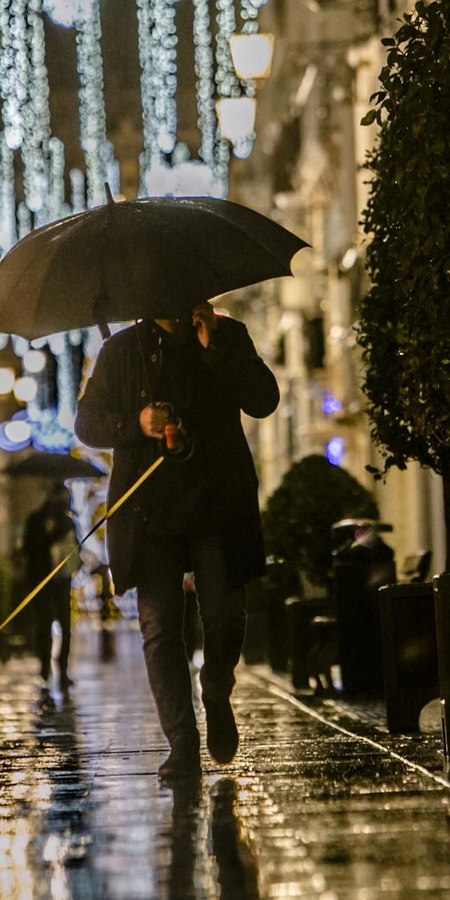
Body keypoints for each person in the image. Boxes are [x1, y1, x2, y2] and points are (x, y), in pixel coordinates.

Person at [76, 301, 279, 779]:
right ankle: (182, 742)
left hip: (217, 505)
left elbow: (263, 400)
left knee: (225, 616)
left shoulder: (227, 336)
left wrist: (216, 350)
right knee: (160, 630)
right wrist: (136, 424)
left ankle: (216, 688)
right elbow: (87, 424)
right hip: (149, 514)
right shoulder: (121, 350)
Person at [20, 484, 77, 689]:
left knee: (65, 627)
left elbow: (74, 549)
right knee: (43, 626)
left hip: (61, 582)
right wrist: (50, 536)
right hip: (41, 580)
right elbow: (29, 547)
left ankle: (63, 670)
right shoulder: (37, 520)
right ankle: (45, 667)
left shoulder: (68, 521)